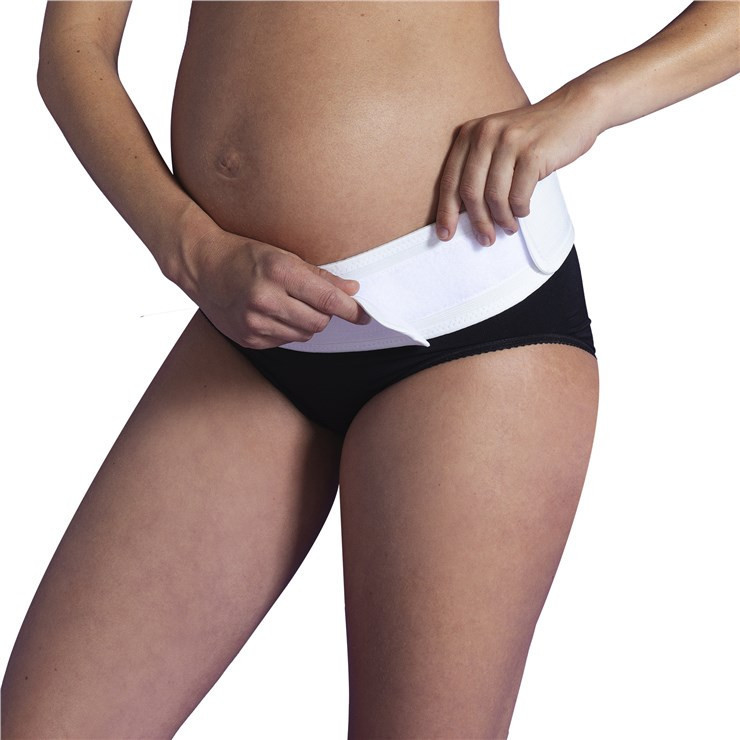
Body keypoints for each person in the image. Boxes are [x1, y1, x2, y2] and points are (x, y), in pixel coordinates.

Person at [2, 1, 738, 737]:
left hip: (465, 315)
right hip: (249, 320)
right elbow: (73, 48)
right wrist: (191, 250)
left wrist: (589, 103)